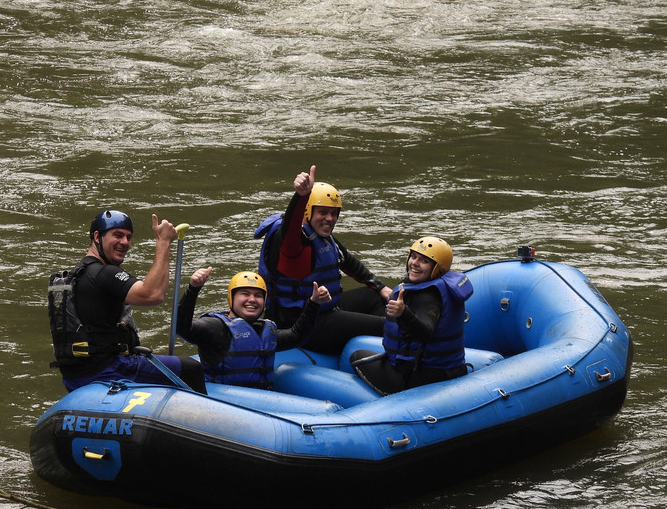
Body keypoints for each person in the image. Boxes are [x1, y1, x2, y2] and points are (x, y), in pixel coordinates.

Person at [47, 209, 207, 394]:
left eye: (128, 237)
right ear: (97, 237)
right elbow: (153, 295)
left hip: (75, 375)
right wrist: (163, 242)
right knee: (191, 368)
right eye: (118, 235)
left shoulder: (79, 274)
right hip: (109, 369)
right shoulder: (104, 273)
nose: (125, 242)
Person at [254, 165, 392, 355]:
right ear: (307, 211)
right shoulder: (291, 242)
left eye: (334, 213)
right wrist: (301, 196)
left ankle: (373, 349)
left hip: (324, 310)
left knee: (375, 297)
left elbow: (349, 262)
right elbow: (290, 229)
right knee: (386, 325)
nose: (330, 218)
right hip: (298, 322)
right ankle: (387, 352)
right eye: (323, 212)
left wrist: (381, 287)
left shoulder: (321, 236)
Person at [350, 236, 473, 395]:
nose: (414, 263)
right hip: (448, 368)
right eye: (413, 256)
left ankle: (394, 397)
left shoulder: (428, 296)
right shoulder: (439, 286)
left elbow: (425, 332)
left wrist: (403, 313)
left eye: (424, 261)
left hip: (422, 376)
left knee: (356, 357)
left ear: (437, 268)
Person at [175, 269, 331, 388]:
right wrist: (193, 289)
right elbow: (183, 328)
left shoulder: (266, 330)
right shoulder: (216, 327)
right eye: (245, 294)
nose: (252, 300)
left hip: (259, 402)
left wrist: (314, 303)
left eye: (258, 295)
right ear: (231, 298)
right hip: (222, 403)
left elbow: (297, 336)